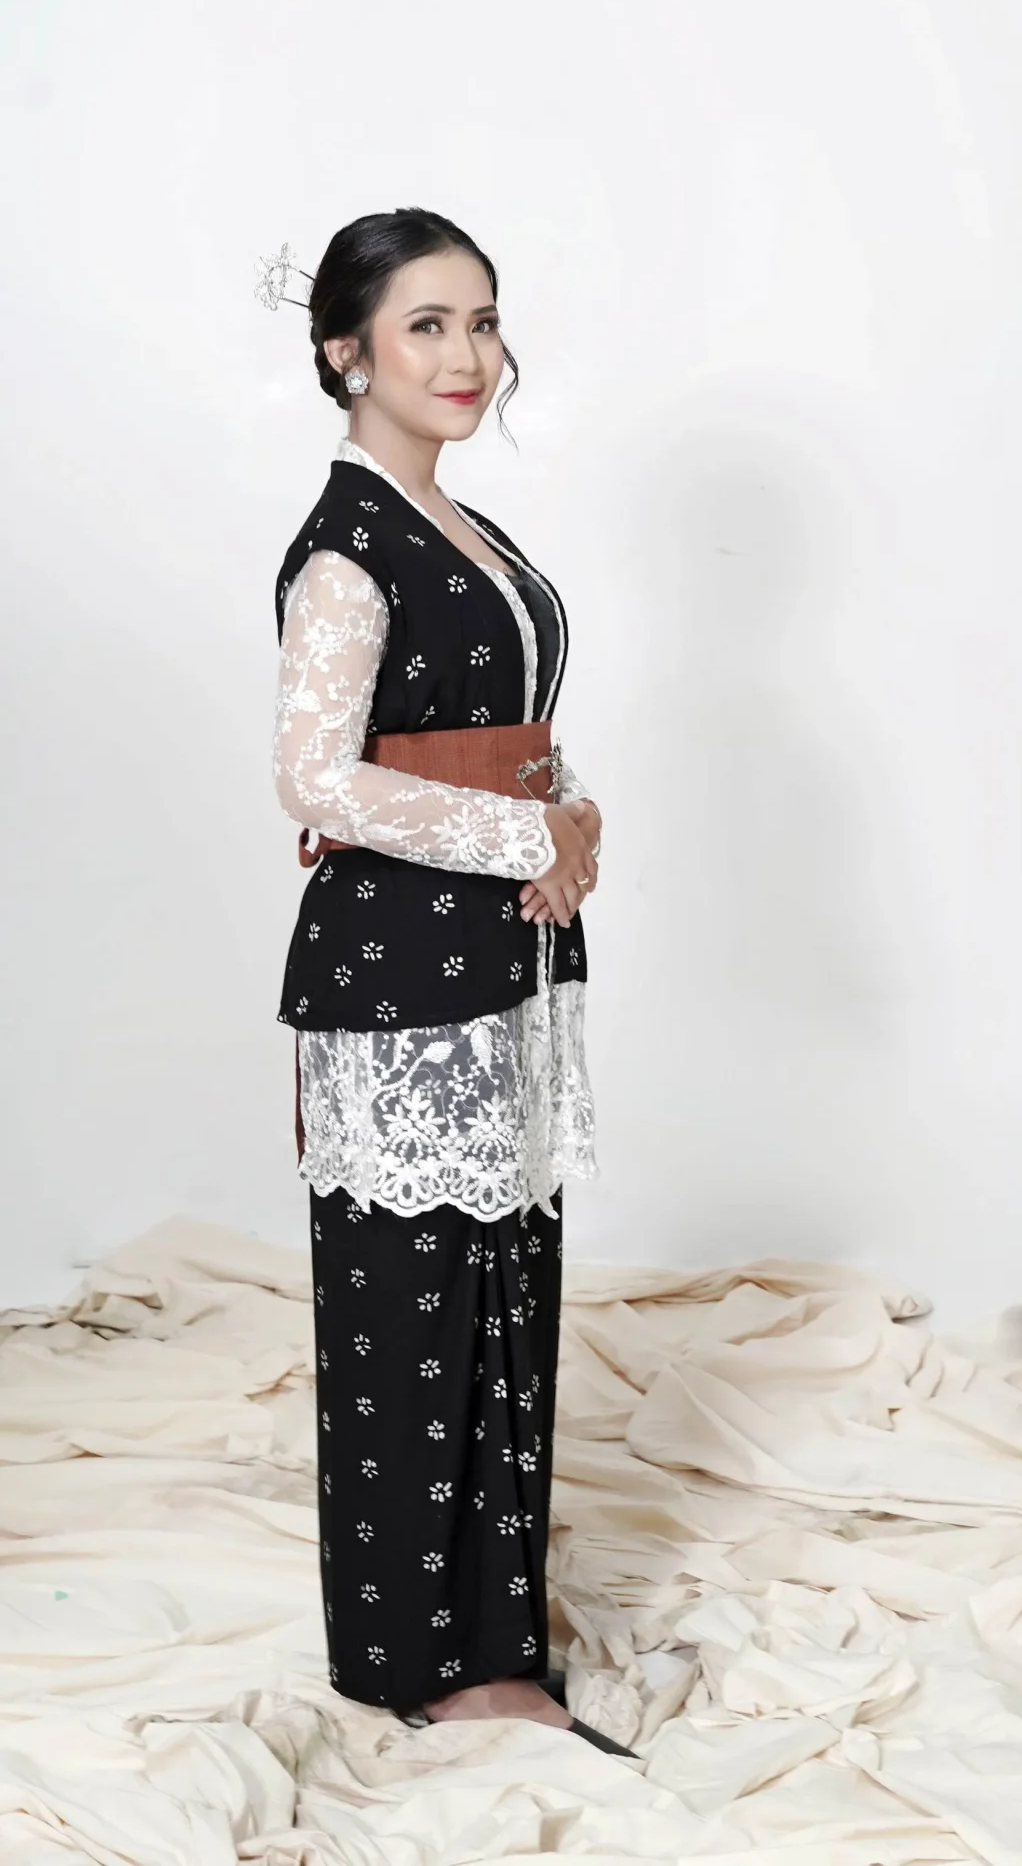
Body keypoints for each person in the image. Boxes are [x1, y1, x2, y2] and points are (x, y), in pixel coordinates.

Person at [262, 207, 638, 1739]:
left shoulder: (466, 528)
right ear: (347, 352)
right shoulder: (347, 552)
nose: (466, 353)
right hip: (400, 972)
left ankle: (497, 1639)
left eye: (479, 320)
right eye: (425, 324)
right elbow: (315, 779)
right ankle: (416, 1665)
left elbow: (510, 738)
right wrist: (521, 834)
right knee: (409, 1317)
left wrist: (572, 819)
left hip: (500, 956)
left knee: (503, 1293)